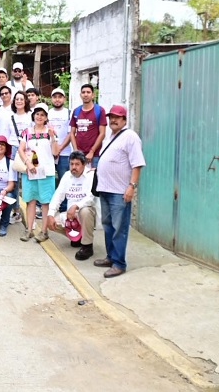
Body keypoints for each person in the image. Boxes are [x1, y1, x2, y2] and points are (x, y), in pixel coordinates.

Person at [92, 105, 146, 278]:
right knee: (108, 226)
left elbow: (137, 164)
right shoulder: (111, 137)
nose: (113, 120)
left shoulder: (130, 137)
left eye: (117, 117)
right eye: (111, 117)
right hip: (105, 189)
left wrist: (131, 186)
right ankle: (110, 257)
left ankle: (119, 263)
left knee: (119, 228)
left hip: (119, 191)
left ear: (124, 120)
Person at [42, 150, 97, 259]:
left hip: (87, 214)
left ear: (84, 164)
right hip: (71, 216)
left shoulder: (91, 175)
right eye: (71, 164)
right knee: (51, 222)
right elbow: (58, 195)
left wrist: (76, 206)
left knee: (85, 211)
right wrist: (50, 214)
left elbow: (91, 198)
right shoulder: (67, 175)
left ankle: (87, 246)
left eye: (77, 164)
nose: (74, 167)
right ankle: (77, 237)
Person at [18, 103, 58, 242]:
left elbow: (55, 152)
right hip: (30, 172)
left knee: (45, 202)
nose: (39, 117)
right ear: (33, 115)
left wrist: (53, 137)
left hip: (46, 172)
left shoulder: (50, 132)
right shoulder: (27, 132)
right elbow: (21, 149)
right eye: (37, 114)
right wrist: (28, 163)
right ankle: (29, 230)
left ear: (46, 117)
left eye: (42, 115)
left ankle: (44, 231)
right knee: (30, 201)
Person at [69, 83, 107, 167]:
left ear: (93, 95)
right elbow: (72, 133)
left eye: (88, 92)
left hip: (94, 155)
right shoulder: (76, 111)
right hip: (79, 155)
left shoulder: (99, 110)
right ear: (80, 95)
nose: (85, 94)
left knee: (93, 175)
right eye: (83, 92)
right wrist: (75, 150)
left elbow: (102, 133)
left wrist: (92, 151)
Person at [49, 87, 72, 211]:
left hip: (65, 153)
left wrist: (60, 148)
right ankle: (50, 206)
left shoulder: (69, 113)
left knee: (65, 180)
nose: (57, 99)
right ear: (51, 99)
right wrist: (54, 149)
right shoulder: (48, 113)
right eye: (55, 97)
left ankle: (64, 208)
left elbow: (70, 133)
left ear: (64, 98)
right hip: (49, 153)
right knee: (49, 180)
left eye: (60, 97)